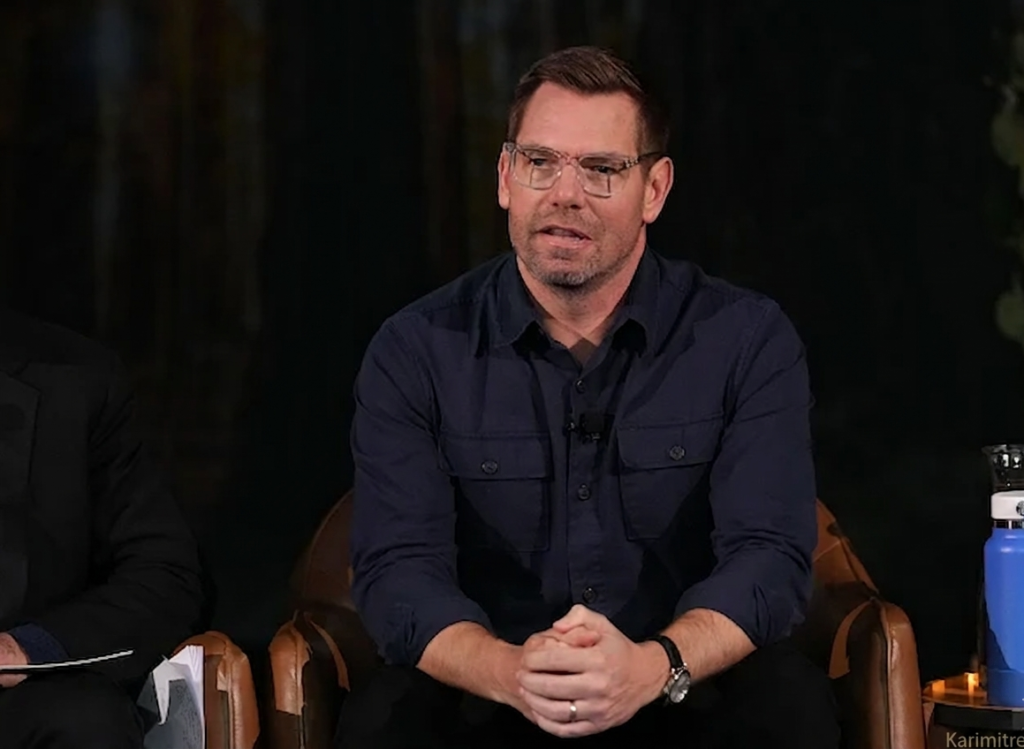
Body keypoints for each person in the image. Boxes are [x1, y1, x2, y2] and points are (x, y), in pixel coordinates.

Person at [340, 45, 839, 748]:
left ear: (656, 190)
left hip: (681, 680)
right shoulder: (415, 348)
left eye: (601, 169)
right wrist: (513, 672)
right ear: (507, 177)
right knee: (382, 723)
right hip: (493, 684)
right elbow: (398, 569)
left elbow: (768, 556)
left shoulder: (746, 339)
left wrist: (651, 666)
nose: (564, 193)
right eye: (541, 162)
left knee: (791, 710)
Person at [0, 308, 207, 747]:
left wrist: (29, 649)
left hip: (20, 698)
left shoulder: (76, 381)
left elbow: (164, 574)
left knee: (85, 721)